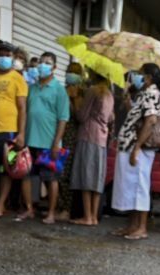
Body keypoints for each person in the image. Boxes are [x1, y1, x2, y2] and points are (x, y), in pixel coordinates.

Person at [111, 63, 160, 240]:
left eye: (140, 74)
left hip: (139, 148)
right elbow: (138, 118)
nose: (137, 77)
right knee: (130, 187)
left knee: (140, 187)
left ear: (148, 77)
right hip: (130, 146)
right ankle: (132, 225)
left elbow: (150, 121)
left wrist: (137, 147)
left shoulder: (152, 94)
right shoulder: (144, 94)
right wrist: (128, 104)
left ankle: (141, 228)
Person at [19, 51, 70, 224]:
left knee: (50, 179)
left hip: (48, 143)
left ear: (54, 68)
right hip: (29, 140)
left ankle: (50, 212)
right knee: (25, 175)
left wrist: (57, 142)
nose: (43, 65)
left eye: (48, 63)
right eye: (41, 62)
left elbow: (63, 118)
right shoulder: (32, 88)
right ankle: (29, 209)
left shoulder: (59, 90)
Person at [0, 42, 27, 217]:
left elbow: (22, 108)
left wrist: (21, 134)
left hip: (7, 131)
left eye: (7, 54)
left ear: (13, 57)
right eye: (0, 54)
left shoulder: (18, 78)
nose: (3, 57)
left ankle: (0, 205)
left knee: (5, 169)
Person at [69, 71, 114, 226]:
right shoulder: (109, 94)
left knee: (86, 176)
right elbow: (110, 118)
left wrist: (75, 100)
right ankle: (94, 217)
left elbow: (81, 116)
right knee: (97, 178)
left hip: (88, 135)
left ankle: (87, 216)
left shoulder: (92, 91)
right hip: (102, 139)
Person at [57, 62, 86, 220]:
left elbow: (80, 117)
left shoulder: (82, 94)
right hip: (59, 136)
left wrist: (74, 99)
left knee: (66, 175)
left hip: (72, 138)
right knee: (57, 172)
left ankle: (67, 208)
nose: (70, 75)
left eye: (74, 72)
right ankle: (58, 205)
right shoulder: (62, 90)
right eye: (69, 71)